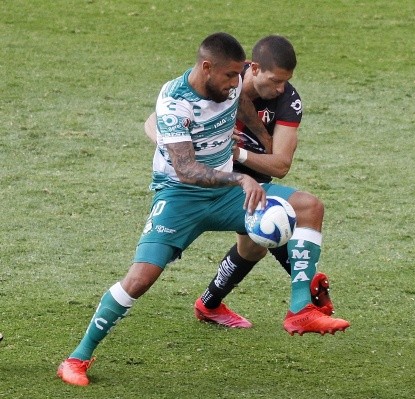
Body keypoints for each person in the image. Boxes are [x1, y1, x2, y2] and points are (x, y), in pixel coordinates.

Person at [57, 32, 350, 387]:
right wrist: (240, 179)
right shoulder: (175, 101)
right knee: (139, 279)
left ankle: (300, 310)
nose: (236, 84)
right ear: (206, 68)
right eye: (229, 77)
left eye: (239, 76)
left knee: (308, 206)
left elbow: (240, 100)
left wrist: (261, 133)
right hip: (181, 196)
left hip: (223, 191)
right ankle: (77, 358)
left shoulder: (232, 81)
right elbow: (186, 169)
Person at [144, 35, 335, 329]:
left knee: (255, 244)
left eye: (285, 82)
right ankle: (305, 293)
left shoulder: (287, 101)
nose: (280, 88)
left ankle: (210, 304)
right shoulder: (220, 79)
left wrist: (241, 151)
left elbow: (281, 164)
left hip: (250, 173)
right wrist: (176, 145)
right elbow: (154, 121)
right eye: (274, 81)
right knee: (262, 232)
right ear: (253, 69)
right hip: (206, 175)